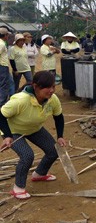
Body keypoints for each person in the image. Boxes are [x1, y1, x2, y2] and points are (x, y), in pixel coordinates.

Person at [0, 71, 67, 199]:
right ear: (36, 87)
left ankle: (39, 174)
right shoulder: (20, 100)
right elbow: (1, 116)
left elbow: (58, 117)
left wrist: (60, 136)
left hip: (34, 128)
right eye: (48, 87)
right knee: (27, 155)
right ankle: (18, 188)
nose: (52, 90)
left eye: (53, 86)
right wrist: (7, 136)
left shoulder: (52, 99)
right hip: (14, 131)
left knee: (53, 150)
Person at [0, 27, 14, 106]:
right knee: (4, 85)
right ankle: (2, 103)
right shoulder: (1, 44)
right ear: (5, 35)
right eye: (7, 35)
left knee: (10, 82)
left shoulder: (2, 43)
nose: (8, 36)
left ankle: (10, 99)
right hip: (2, 66)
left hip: (3, 66)